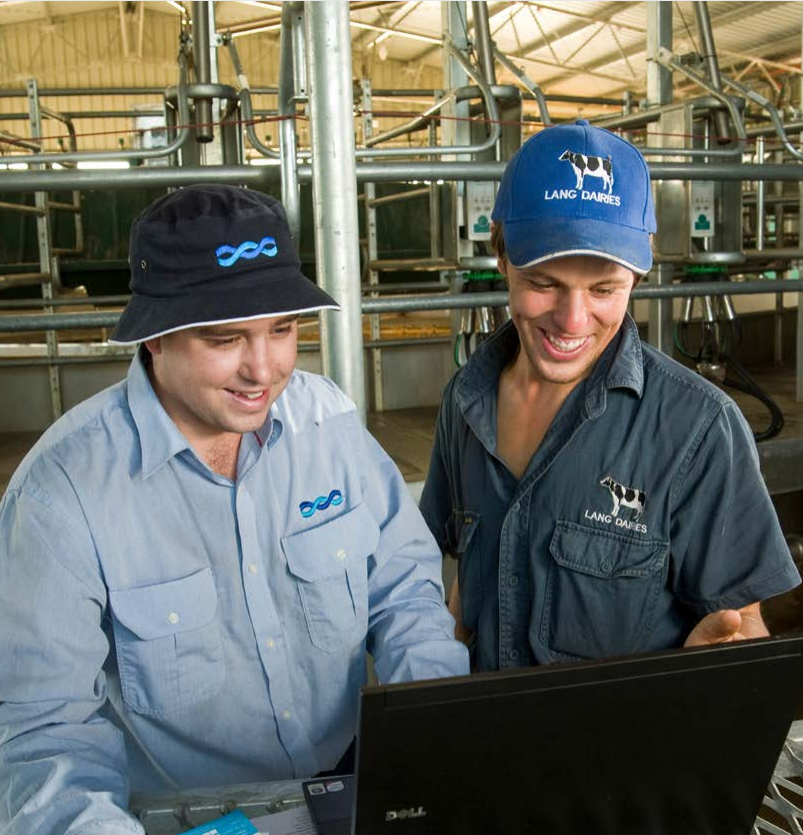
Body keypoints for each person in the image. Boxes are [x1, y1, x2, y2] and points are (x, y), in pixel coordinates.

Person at [0, 185, 468, 835]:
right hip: (183, 813)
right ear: (155, 337)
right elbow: (45, 736)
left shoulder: (324, 419)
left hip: (355, 781)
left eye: (282, 329)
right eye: (226, 339)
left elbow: (402, 588)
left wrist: (433, 734)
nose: (264, 369)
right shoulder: (62, 495)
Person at [419, 120, 801, 672]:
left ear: (636, 281)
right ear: (501, 260)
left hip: (620, 751)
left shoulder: (696, 428)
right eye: (543, 283)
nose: (572, 320)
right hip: (485, 740)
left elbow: (741, 625)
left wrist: (719, 668)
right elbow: (467, 592)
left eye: (604, 290)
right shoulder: (466, 403)